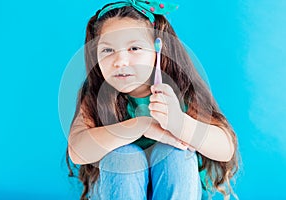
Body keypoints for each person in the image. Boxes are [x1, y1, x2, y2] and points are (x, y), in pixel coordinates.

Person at [66, 0, 239, 199]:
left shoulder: (182, 91)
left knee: (176, 153)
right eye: (107, 50)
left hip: (175, 187)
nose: (120, 61)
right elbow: (77, 151)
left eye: (134, 48)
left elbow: (225, 149)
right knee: (124, 156)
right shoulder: (98, 95)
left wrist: (179, 122)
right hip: (117, 189)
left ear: (158, 51)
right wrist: (141, 125)